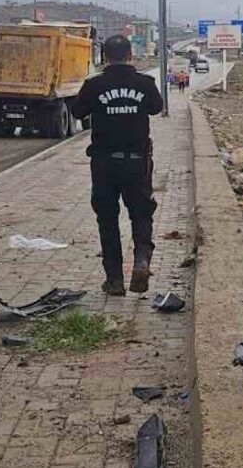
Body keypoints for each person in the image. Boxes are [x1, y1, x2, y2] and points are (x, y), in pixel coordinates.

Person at [71, 35, 163, 296]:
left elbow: (77, 112)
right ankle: (142, 259)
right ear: (130, 55)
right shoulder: (145, 83)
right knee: (141, 214)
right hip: (137, 163)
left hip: (104, 164)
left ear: (105, 57)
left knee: (107, 220)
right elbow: (156, 108)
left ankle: (114, 280)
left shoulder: (94, 85)